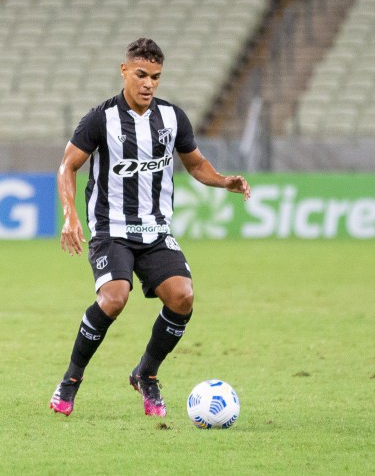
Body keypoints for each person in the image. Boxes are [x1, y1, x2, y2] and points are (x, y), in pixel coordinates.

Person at [50, 37, 251, 418]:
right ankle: (71, 380)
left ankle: (146, 374)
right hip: (111, 229)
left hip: (156, 231)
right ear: (124, 71)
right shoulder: (101, 119)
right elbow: (67, 166)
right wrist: (70, 215)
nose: (148, 84)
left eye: (156, 77)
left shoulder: (172, 118)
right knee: (113, 297)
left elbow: (195, 164)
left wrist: (224, 181)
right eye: (141, 74)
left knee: (182, 297)